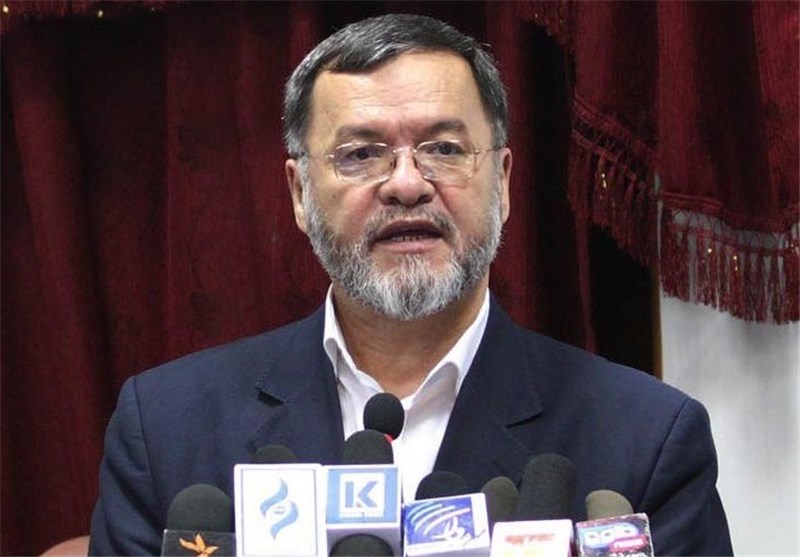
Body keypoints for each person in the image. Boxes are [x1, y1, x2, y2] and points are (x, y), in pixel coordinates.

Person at [88, 13, 732, 556]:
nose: (406, 184)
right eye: (360, 154)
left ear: (504, 182)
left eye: (444, 149)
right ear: (300, 194)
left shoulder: (647, 440)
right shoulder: (166, 428)